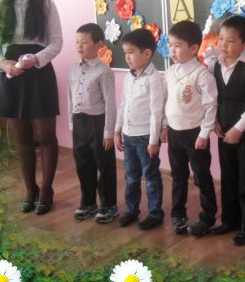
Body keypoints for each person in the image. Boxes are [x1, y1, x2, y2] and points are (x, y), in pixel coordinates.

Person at [0, 0, 62, 215]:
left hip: (39, 72)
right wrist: (4, 64)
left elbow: (56, 42)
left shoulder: (46, 4)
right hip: (12, 73)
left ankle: (46, 189)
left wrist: (36, 59)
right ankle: (30, 189)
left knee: (46, 137)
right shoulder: (0, 7)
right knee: (22, 138)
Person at [207, 16, 245, 246]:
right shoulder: (213, 66)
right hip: (223, 131)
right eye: (221, 39)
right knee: (228, 177)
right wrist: (214, 121)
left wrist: (239, 128)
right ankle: (230, 220)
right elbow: (211, 98)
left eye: (230, 41)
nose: (223, 44)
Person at [162, 20, 218, 237]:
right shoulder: (170, 72)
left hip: (195, 134)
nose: (172, 50)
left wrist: (204, 134)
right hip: (174, 133)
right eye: (171, 45)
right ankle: (178, 214)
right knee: (178, 176)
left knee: (201, 176)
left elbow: (211, 106)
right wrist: (164, 126)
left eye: (178, 46)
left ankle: (208, 216)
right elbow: (166, 101)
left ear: (194, 48)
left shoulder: (202, 75)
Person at [115, 28, 166, 230]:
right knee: (131, 176)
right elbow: (123, 103)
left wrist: (154, 141)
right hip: (128, 135)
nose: (127, 57)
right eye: (125, 53)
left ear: (146, 53)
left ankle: (155, 213)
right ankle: (131, 210)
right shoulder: (129, 76)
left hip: (146, 137)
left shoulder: (154, 78)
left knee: (151, 176)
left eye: (131, 52)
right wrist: (117, 130)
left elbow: (156, 112)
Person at [68, 23, 117, 224]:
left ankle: (109, 204)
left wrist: (109, 132)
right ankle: (88, 202)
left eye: (84, 42)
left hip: (98, 122)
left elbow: (110, 103)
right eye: (77, 42)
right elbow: (70, 97)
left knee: (104, 165)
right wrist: (72, 123)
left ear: (98, 45)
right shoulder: (73, 69)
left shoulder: (104, 71)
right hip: (79, 121)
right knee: (83, 164)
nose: (79, 46)